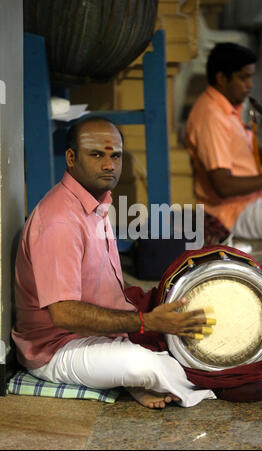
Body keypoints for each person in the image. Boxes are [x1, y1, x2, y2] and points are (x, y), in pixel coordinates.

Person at [12, 117, 217, 409]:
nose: (109, 165)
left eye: (115, 156)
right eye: (97, 155)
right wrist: (145, 322)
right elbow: (64, 314)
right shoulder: (59, 221)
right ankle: (140, 378)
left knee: (188, 318)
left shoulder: (97, 203)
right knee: (147, 365)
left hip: (101, 332)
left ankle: (130, 376)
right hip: (57, 347)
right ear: (71, 158)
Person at [185, 42, 262, 240]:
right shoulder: (211, 116)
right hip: (234, 211)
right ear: (222, 78)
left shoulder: (226, 108)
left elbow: (239, 166)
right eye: (243, 78)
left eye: (251, 77)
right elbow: (224, 187)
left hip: (255, 195)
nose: (250, 85)